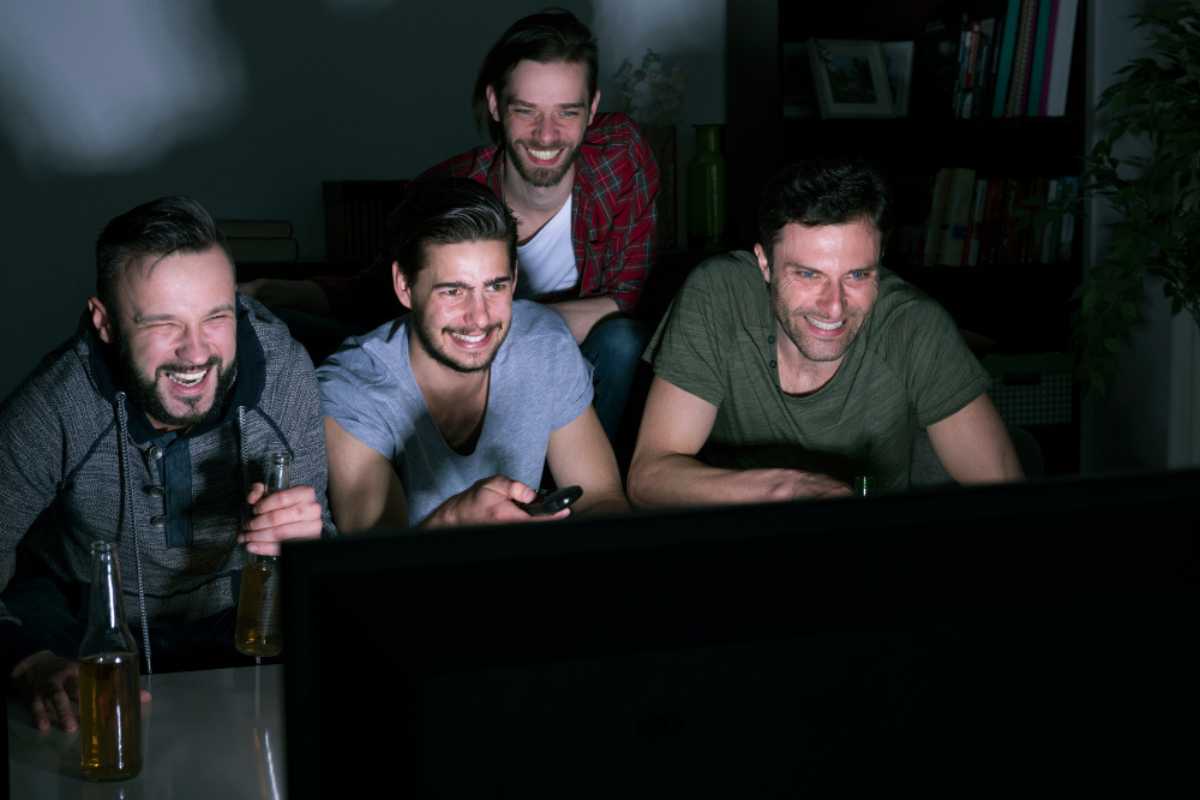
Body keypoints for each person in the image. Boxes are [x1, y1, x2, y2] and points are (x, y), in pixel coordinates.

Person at [0, 196, 334, 731]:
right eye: (163, 324)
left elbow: (325, 551)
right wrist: (27, 661)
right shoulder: (54, 404)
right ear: (105, 323)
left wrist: (308, 543)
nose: (195, 353)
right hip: (84, 638)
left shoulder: (284, 372)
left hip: (237, 633)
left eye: (216, 317)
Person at [245, 9, 658, 441]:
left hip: (570, 375)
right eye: (526, 111)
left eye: (567, 113)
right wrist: (276, 291)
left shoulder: (621, 155)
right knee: (278, 330)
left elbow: (632, 298)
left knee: (622, 342)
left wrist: (505, 324)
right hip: (456, 369)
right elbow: (375, 294)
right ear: (495, 104)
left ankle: (587, 480)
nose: (547, 135)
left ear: (592, 108)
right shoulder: (448, 187)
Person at [628, 158, 1023, 508]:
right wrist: (787, 490)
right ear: (764, 263)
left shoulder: (914, 326)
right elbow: (648, 479)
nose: (834, 306)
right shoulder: (719, 295)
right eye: (807, 274)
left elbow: (1009, 499)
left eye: (857, 275)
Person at [318, 178, 629, 531]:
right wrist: (453, 520)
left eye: (495, 286)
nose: (480, 317)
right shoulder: (353, 389)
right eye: (453, 291)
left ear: (514, 278)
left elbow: (601, 499)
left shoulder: (543, 343)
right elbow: (375, 561)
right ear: (404, 286)